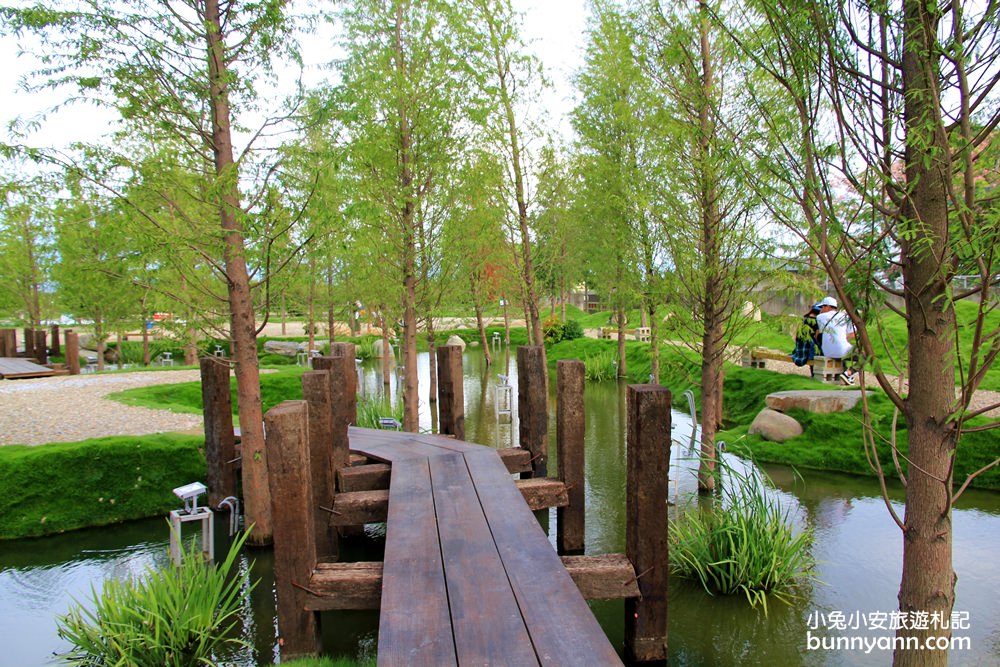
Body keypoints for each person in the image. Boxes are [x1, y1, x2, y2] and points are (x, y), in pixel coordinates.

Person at [815, 296, 858, 384]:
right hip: (841, 350)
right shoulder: (845, 316)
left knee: (844, 351)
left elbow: (821, 332)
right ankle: (848, 374)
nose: (821, 309)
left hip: (826, 351)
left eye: (822, 307)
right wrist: (844, 339)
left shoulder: (819, 317)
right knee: (867, 356)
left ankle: (845, 376)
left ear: (828, 306)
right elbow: (852, 334)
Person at [791, 303, 822, 373]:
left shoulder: (804, 319)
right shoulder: (816, 322)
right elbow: (817, 337)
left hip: (799, 349)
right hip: (809, 350)